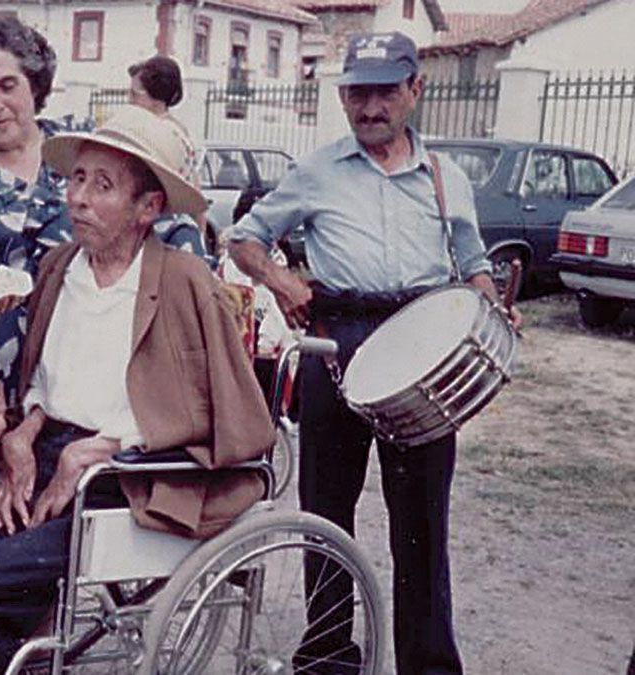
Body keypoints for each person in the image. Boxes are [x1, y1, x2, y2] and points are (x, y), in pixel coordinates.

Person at [0, 105, 276, 675]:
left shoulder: (181, 280)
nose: (77, 197)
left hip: (125, 479)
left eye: (102, 185)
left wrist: (100, 448)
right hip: (49, 458)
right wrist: (25, 432)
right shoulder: (60, 267)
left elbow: (220, 406)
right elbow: (46, 382)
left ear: (147, 208)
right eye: (77, 178)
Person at [225, 32, 521, 675]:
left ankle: (429, 664)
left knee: (421, 526)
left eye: (386, 90)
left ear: (416, 90)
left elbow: (471, 261)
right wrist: (281, 280)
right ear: (341, 96)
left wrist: (488, 300)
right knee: (326, 516)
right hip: (337, 341)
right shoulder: (315, 171)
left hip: (422, 349)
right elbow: (243, 240)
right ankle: (329, 656)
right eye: (359, 92)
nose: (371, 107)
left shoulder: (447, 178)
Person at [0, 14, 207, 515]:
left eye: (9, 85)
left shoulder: (78, 150)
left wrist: (195, 269)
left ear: (35, 84)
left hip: (77, 381)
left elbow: (155, 215)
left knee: (63, 535)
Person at [127, 54, 201, 185]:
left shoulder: (157, 132)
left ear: (156, 97)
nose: (129, 101)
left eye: (134, 95)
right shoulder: (178, 129)